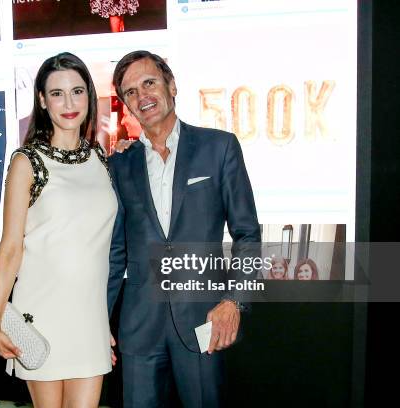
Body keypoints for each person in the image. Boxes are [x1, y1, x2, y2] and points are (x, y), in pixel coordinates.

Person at [108, 50, 260, 407]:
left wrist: (234, 301)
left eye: (149, 83)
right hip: (140, 328)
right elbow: (115, 255)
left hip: (203, 320)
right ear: (126, 104)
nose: (142, 96)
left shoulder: (219, 147)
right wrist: (99, 323)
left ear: (171, 86)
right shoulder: (118, 166)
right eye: (130, 92)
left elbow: (248, 235)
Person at [0, 52, 117, 407]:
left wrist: (103, 323)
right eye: (57, 94)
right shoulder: (27, 161)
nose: (69, 103)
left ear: (90, 95)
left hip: (89, 318)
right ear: (42, 101)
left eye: (77, 91)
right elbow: (10, 247)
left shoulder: (100, 159)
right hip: (41, 315)